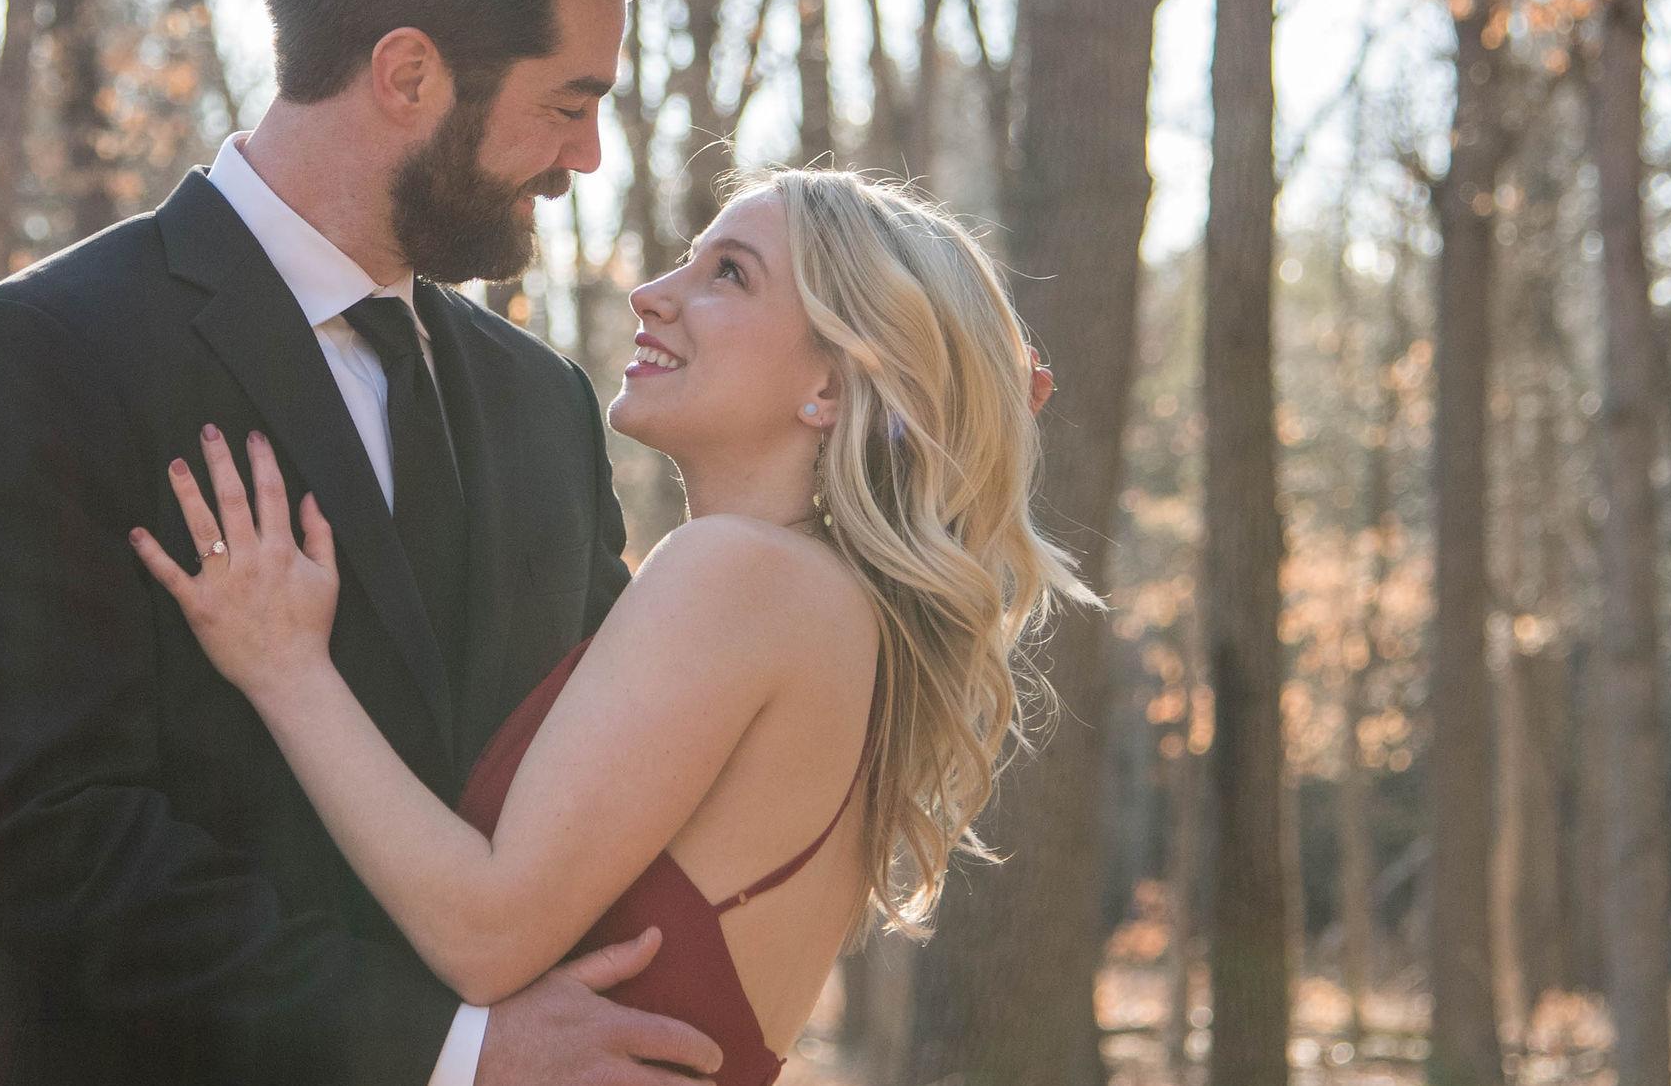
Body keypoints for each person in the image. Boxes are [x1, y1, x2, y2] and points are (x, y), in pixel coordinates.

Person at [0, 0, 725, 1084]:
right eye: (567, 102)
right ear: (408, 74)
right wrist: (449, 1053)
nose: (586, 157)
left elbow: (603, 787)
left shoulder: (540, 402)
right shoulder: (45, 357)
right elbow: (49, 849)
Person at [132, 169, 1096, 1085]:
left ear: (833, 389)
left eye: (730, 274)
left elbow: (484, 934)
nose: (650, 294)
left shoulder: (739, 574)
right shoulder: (831, 606)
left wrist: (286, 668)